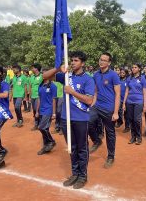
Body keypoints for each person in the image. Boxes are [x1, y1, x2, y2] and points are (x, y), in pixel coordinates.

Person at [55, 51, 95, 189]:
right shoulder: (66, 76)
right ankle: (75, 173)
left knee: (82, 148)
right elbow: (45, 76)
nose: (72, 62)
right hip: (66, 118)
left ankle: (83, 176)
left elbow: (89, 100)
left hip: (81, 118)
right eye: (72, 60)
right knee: (72, 147)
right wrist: (58, 68)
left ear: (82, 63)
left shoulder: (88, 79)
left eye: (76, 60)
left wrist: (72, 92)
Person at [88, 52, 120, 169]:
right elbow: (95, 91)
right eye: (100, 59)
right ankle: (97, 141)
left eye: (104, 60)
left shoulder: (113, 75)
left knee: (110, 132)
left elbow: (117, 94)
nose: (101, 62)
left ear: (109, 63)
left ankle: (111, 156)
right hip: (97, 106)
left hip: (109, 108)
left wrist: (116, 112)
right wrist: (93, 104)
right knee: (88, 122)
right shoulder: (96, 74)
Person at [123, 63, 146, 145]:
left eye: (135, 67)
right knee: (131, 119)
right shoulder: (129, 78)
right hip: (129, 101)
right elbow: (126, 91)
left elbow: (144, 92)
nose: (133, 69)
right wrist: (124, 103)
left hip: (139, 102)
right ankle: (133, 137)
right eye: (132, 67)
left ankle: (139, 137)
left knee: (137, 120)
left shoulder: (142, 78)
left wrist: (145, 105)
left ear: (139, 69)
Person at [35, 79, 57, 155]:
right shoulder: (40, 85)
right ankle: (46, 147)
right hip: (41, 110)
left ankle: (51, 141)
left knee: (41, 127)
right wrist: (37, 111)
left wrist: (54, 113)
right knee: (45, 129)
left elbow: (54, 100)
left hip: (48, 110)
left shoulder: (53, 86)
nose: (43, 76)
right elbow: (39, 99)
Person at [29, 64, 43, 131]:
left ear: (36, 69)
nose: (31, 69)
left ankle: (38, 124)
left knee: (37, 109)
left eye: (33, 68)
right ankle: (37, 123)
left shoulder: (42, 76)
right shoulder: (31, 76)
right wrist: (29, 96)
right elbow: (30, 87)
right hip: (33, 96)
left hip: (39, 96)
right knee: (34, 110)